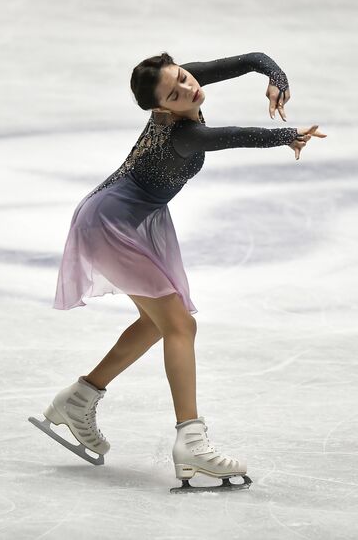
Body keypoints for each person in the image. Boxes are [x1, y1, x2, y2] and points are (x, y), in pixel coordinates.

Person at [30, 52, 327, 489]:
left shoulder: (178, 85)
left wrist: (274, 75)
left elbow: (251, 60)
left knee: (158, 325)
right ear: (160, 109)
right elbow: (231, 136)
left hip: (131, 216)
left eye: (185, 78)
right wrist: (286, 135)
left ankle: (80, 398)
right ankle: (191, 440)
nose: (188, 89)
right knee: (180, 326)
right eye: (175, 93)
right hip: (110, 221)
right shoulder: (184, 134)